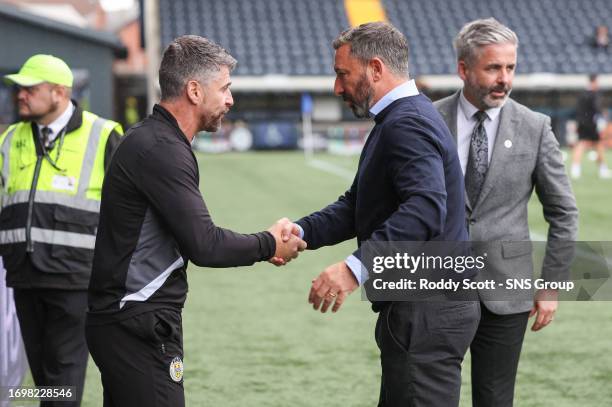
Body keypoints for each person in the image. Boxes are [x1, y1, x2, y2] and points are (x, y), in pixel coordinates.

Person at [85, 35, 306, 407]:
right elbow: (204, 244)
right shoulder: (161, 149)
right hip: (136, 321)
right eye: (225, 88)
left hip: (126, 320)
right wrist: (269, 243)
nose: (230, 100)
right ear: (193, 90)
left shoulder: (155, 140)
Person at [283, 22, 480, 406]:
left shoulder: (406, 122)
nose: (337, 88)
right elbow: (356, 206)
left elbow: (425, 208)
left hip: (427, 310)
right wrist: (300, 232)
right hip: (421, 308)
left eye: (343, 74)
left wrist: (355, 268)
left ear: (375, 68)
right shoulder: (403, 117)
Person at [434, 18, 579, 407]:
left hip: (506, 290)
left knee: (495, 399)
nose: (504, 78)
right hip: (433, 284)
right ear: (464, 68)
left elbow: (564, 212)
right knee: (427, 395)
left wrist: (551, 286)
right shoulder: (428, 119)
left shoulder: (535, 127)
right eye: (493, 68)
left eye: (510, 67)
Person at [0, 54, 123, 406]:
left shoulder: (103, 135)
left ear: (59, 92)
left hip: (75, 282)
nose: (20, 95)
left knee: (62, 382)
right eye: (18, 89)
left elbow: (130, 210)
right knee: (47, 385)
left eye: (29, 88)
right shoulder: (10, 139)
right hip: (22, 280)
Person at [571, 73, 610, 179]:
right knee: (597, 145)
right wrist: (603, 114)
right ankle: (603, 170)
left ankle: (576, 169)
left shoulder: (582, 94)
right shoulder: (594, 94)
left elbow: (577, 109)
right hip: (591, 123)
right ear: (594, 81)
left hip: (581, 122)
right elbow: (597, 108)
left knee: (582, 144)